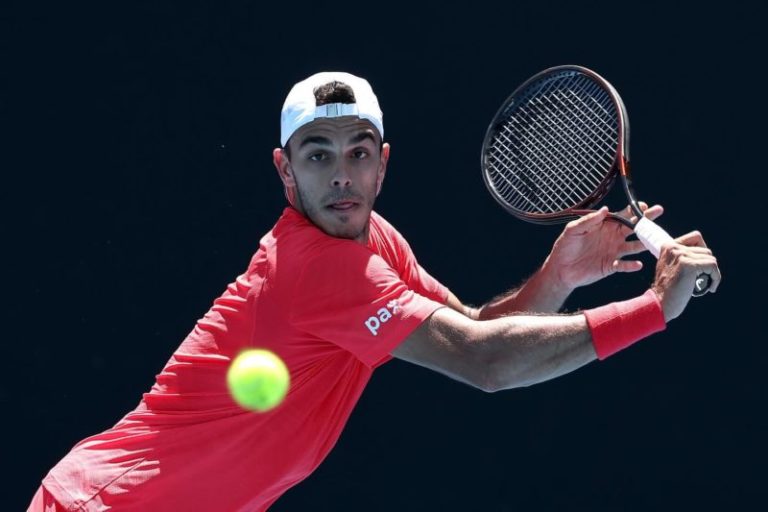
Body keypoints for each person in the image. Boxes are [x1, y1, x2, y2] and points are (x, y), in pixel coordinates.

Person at [28, 71, 721, 511]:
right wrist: (654, 309)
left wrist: (559, 277)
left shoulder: (375, 241)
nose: (341, 176)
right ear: (285, 171)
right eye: (317, 154)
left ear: (382, 163)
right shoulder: (315, 268)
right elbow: (485, 363)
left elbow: (476, 327)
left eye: (358, 152)